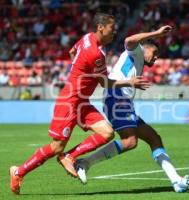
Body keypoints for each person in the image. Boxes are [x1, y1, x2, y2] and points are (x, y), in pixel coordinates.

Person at [9, 13, 150, 195]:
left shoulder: (87, 38)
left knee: (107, 133)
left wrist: (79, 72)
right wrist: (130, 82)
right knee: (57, 147)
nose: (115, 32)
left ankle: (70, 156)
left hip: (81, 101)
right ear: (100, 27)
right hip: (70, 100)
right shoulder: (96, 53)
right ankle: (18, 172)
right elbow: (105, 83)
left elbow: (72, 52)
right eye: (111, 29)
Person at [71, 25, 189, 193]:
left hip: (123, 101)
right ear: (145, 48)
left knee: (154, 138)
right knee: (130, 141)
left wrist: (132, 86)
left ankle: (176, 181)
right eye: (154, 54)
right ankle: (84, 163)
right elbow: (129, 40)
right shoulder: (137, 51)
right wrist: (157, 33)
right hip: (116, 98)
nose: (155, 59)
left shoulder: (138, 61)